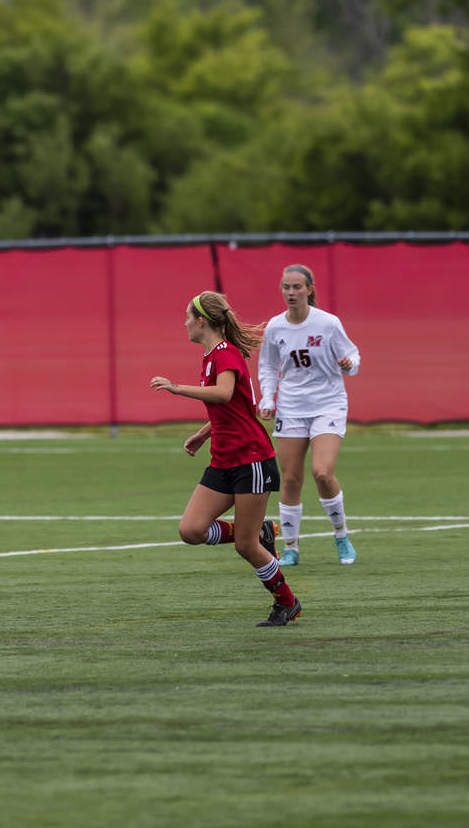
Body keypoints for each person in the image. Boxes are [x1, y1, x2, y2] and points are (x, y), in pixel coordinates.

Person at [149, 291, 302, 627]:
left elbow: (224, 394)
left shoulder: (225, 354)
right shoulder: (210, 356)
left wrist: (177, 388)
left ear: (202, 320)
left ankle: (287, 603)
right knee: (191, 530)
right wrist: (204, 434)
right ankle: (258, 533)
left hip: (252, 459)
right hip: (223, 459)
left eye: (188, 316)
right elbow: (234, 406)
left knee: (245, 548)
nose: (185, 322)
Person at [257, 263, 363, 567]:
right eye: (286, 287)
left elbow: (353, 356)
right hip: (291, 408)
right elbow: (267, 365)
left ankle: (341, 536)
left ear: (309, 289)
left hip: (327, 404)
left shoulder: (328, 323)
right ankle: (290, 548)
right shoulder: (275, 327)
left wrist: (348, 364)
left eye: (297, 287)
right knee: (289, 479)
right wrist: (268, 397)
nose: (291, 293)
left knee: (322, 473)